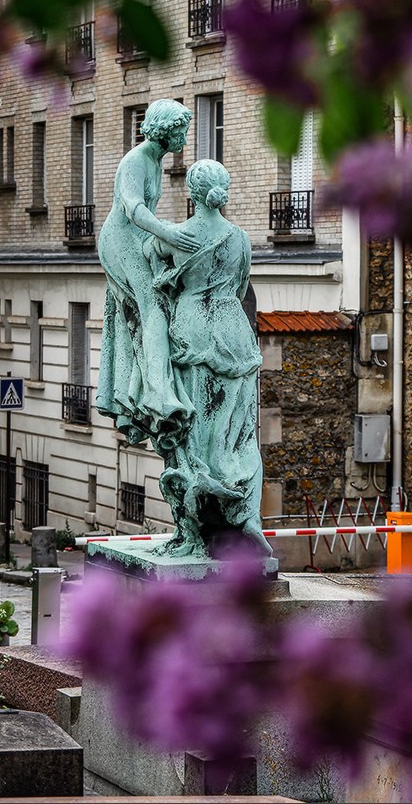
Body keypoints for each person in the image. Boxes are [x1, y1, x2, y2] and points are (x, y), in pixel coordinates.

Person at [147, 159, 272, 557]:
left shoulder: (174, 235)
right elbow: (239, 287)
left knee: (193, 428)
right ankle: (244, 509)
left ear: (192, 193)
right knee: (238, 427)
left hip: (193, 325)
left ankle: (195, 527)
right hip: (232, 328)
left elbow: (151, 275)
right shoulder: (240, 238)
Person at [96, 99, 199, 458]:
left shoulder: (155, 161)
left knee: (144, 316)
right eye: (181, 131)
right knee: (153, 309)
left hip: (139, 240)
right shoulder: (135, 161)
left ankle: (143, 386)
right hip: (121, 241)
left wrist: (163, 234)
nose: (185, 140)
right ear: (165, 130)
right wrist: (167, 233)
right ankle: (160, 394)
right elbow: (133, 208)